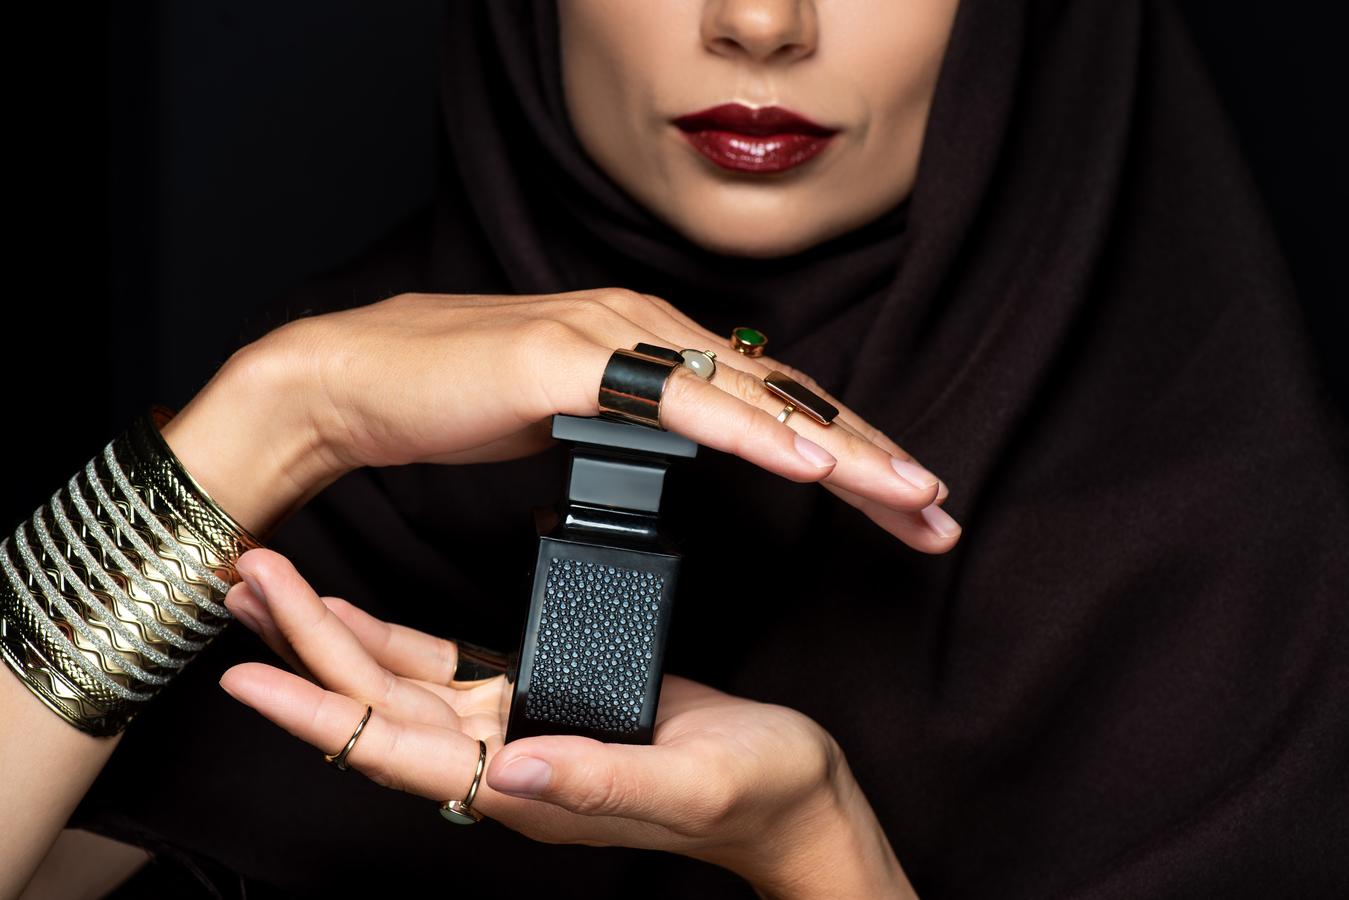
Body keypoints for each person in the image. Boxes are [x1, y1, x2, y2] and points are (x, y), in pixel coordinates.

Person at [5, 0, 1347, 897]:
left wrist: (816, 847)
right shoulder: (336, 457)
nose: (760, 22)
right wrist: (272, 415)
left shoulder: (1234, 535)